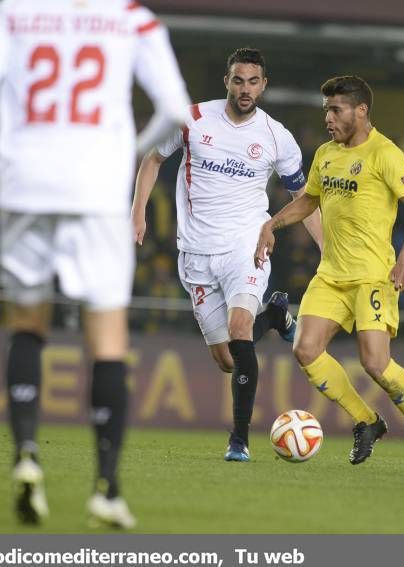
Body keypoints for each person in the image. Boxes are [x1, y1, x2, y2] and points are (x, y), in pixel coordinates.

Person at [0, 0, 191, 528]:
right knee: (107, 340)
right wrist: (126, 152)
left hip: (23, 183)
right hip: (96, 191)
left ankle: (27, 455)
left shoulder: (12, 12)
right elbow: (175, 108)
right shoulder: (132, 18)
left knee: (28, 324)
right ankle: (106, 488)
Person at [131, 47, 322, 462]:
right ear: (227, 81)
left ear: (263, 85)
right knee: (227, 360)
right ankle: (275, 316)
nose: (245, 89)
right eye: (238, 80)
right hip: (195, 252)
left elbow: (303, 198)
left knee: (239, 331)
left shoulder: (276, 137)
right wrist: (138, 212)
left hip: (246, 246)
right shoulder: (193, 119)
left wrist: (328, 249)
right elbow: (152, 159)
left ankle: (239, 440)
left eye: (253, 81)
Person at [255, 75, 404, 473]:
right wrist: (270, 225)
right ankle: (366, 421)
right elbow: (309, 201)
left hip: (373, 276)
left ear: (361, 111)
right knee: (306, 350)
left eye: (336, 109)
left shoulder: (385, 153)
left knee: (376, 365)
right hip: (331, 275)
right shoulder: (326, 154)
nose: (328, 117)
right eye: (326, 109)